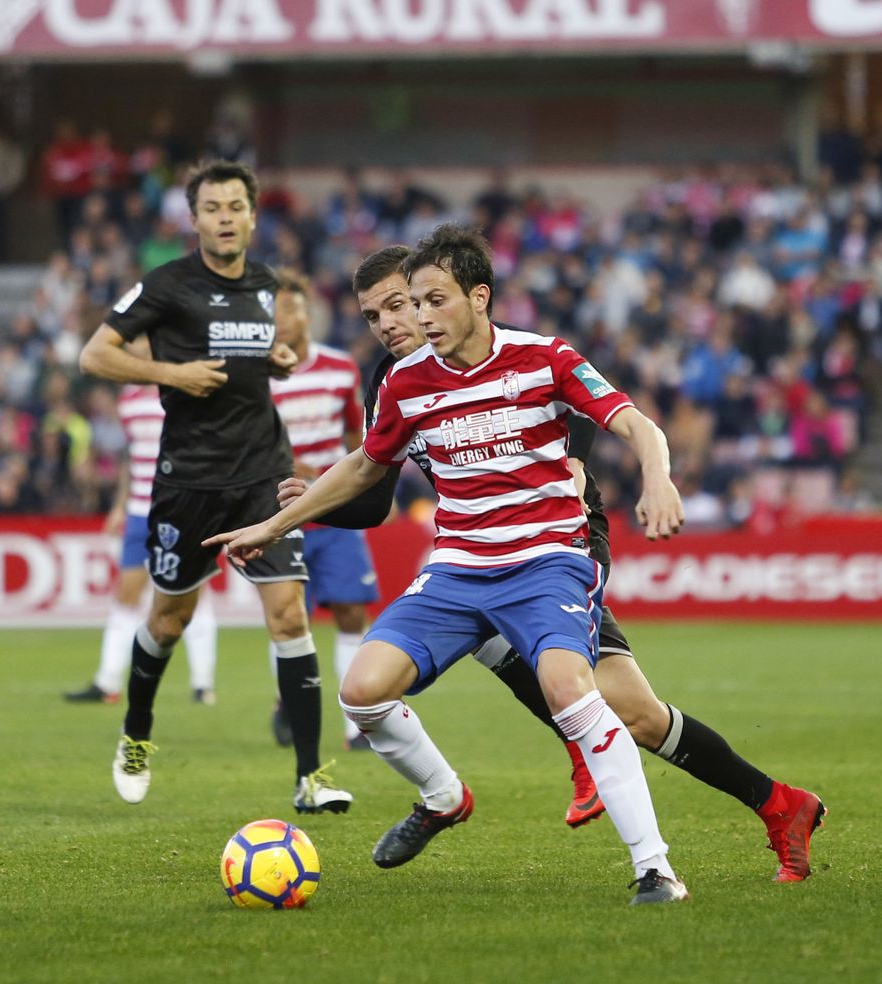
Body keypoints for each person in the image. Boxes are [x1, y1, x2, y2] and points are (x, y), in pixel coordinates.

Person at [208, 224, 688, 905]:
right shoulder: (405, 382)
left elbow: (637, 423)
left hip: (546, 561)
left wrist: (658, 478)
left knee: (568, 689)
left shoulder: (545, 357)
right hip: (459, 569)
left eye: (433, 301)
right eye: (412, 304)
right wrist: (274, 524)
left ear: (478, 297)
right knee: (362, 690)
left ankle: (655, 868)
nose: (419, 317)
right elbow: (364, 467)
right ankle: (444, 794)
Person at [321, 244, 825, 883]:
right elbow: (373, 495)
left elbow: (579, 415)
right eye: (375, 315)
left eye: (405, 303)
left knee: (623, 708)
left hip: (558, 541)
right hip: (474, 553)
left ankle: (619, 769)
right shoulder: (395, 383)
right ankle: (768, 802)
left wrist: (591, 466)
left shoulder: (514, 353)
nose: (395, 322)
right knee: (599, 696)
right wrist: (309, 503)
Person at [79, 160, 352, 815]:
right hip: (191, 482)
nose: (225, 218)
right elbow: (94, 354)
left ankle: (311, 777)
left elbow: (251, 360)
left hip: (264, 474)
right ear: (194, 219)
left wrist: (273, 360)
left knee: (289, 615)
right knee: (169, 620)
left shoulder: (265, 285)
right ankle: (136, 734)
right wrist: (171, 374)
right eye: (213, 208)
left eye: (236, 207)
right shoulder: (167, 285)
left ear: (253, 217)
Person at [266, 269, 378, 751]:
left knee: (351, 611)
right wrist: (285, 464)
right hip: (279, 515)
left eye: (289, 308)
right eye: (273, 311)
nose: (282, 319)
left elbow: (357, 434)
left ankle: (358, 724)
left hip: (335, 512)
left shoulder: (339, 368)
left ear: (307, 313)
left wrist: (359, 481)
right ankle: (289, 703)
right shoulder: (257, 376)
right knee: (290, 617)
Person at [65, 380, 219, 707]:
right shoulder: (129, 401)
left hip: (180, 509)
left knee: (194, 592)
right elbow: (130, 460)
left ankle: (202, 683)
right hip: (138, 512)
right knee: (127, 594)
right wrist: (119, 507)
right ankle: (107, 681)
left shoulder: (184, 391)